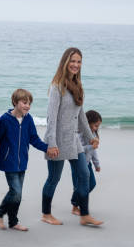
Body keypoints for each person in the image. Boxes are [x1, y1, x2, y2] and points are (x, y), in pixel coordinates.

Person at [42, 47, 103, 227]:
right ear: (65, 62)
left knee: (84, 175)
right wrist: (52, 143)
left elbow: (81, 115)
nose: (75, 65)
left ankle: (84, 215)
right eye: (73, 61)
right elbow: (51, 118)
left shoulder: (77, 86)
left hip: (74, 140)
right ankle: (46, 214)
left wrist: (90, 136)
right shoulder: (57, 87)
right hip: (57, 140)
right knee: (54, 179)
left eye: (78, 61)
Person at [0, 89, 51, 231]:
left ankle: (13, 222)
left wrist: (46, 148)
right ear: (15, 102)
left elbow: (33, 138)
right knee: (16, 192)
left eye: (29, 103)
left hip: (22, 161)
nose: (27, 106)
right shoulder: (5, 120)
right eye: (24, 102)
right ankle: (0, 213)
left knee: (16, 194)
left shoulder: (28, 119)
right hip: (8, 161)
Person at [72, 109, 102, 216]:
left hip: (87, 163)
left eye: (98, 126)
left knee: (92, 184)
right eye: (95, 125)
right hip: (78, 162)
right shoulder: (80, 134)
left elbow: (94, 152)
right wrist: (90, 146)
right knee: (79, 185)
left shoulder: (93, 134)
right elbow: (77, 149)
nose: (96, 128)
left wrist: (97, 164)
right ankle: (75, 206)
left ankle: (77, 201)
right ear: (87, 123)